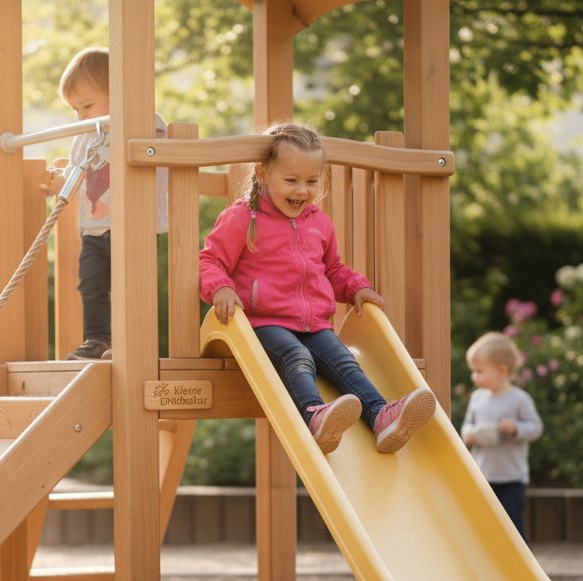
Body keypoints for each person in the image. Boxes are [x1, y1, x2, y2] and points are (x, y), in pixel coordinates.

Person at [198, 122, 436, 455]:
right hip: (262, 323)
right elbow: (210, 261)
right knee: (297, 357)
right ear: (263, 174)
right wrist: (221, 288)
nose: (302, 190)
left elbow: (333, 269)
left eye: (312, 181)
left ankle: (380, 416)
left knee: (345, 362)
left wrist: (356, 288)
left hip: (313, 324)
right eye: (291, 180)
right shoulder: (243, 218)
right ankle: (314, 415)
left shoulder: (317, 222)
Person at [45, 46, 168, 360]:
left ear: (120, 93)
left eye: (87, 105)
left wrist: (130, 113)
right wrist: (62, 183)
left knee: (131, 287)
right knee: (90, 285)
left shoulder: (140, 124)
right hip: (94, 231)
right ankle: (99, 340)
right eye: (75, 109)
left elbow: (156, 135)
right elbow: (78, 176)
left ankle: (132, 343)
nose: (81, 115)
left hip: (132, 227)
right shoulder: (84, 138)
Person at [461, 331, 543, 540]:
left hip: (511, 478)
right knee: (483, 522)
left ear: (502, 370)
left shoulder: (519, 399)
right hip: (483, 475)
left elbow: (535, 427)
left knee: (512, 523)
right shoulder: (478, 398)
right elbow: (467, 425)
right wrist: (468, 434)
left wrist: (515, 429)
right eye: (473, 371)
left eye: (479, 371)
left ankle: (521, 566)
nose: (474, 377)